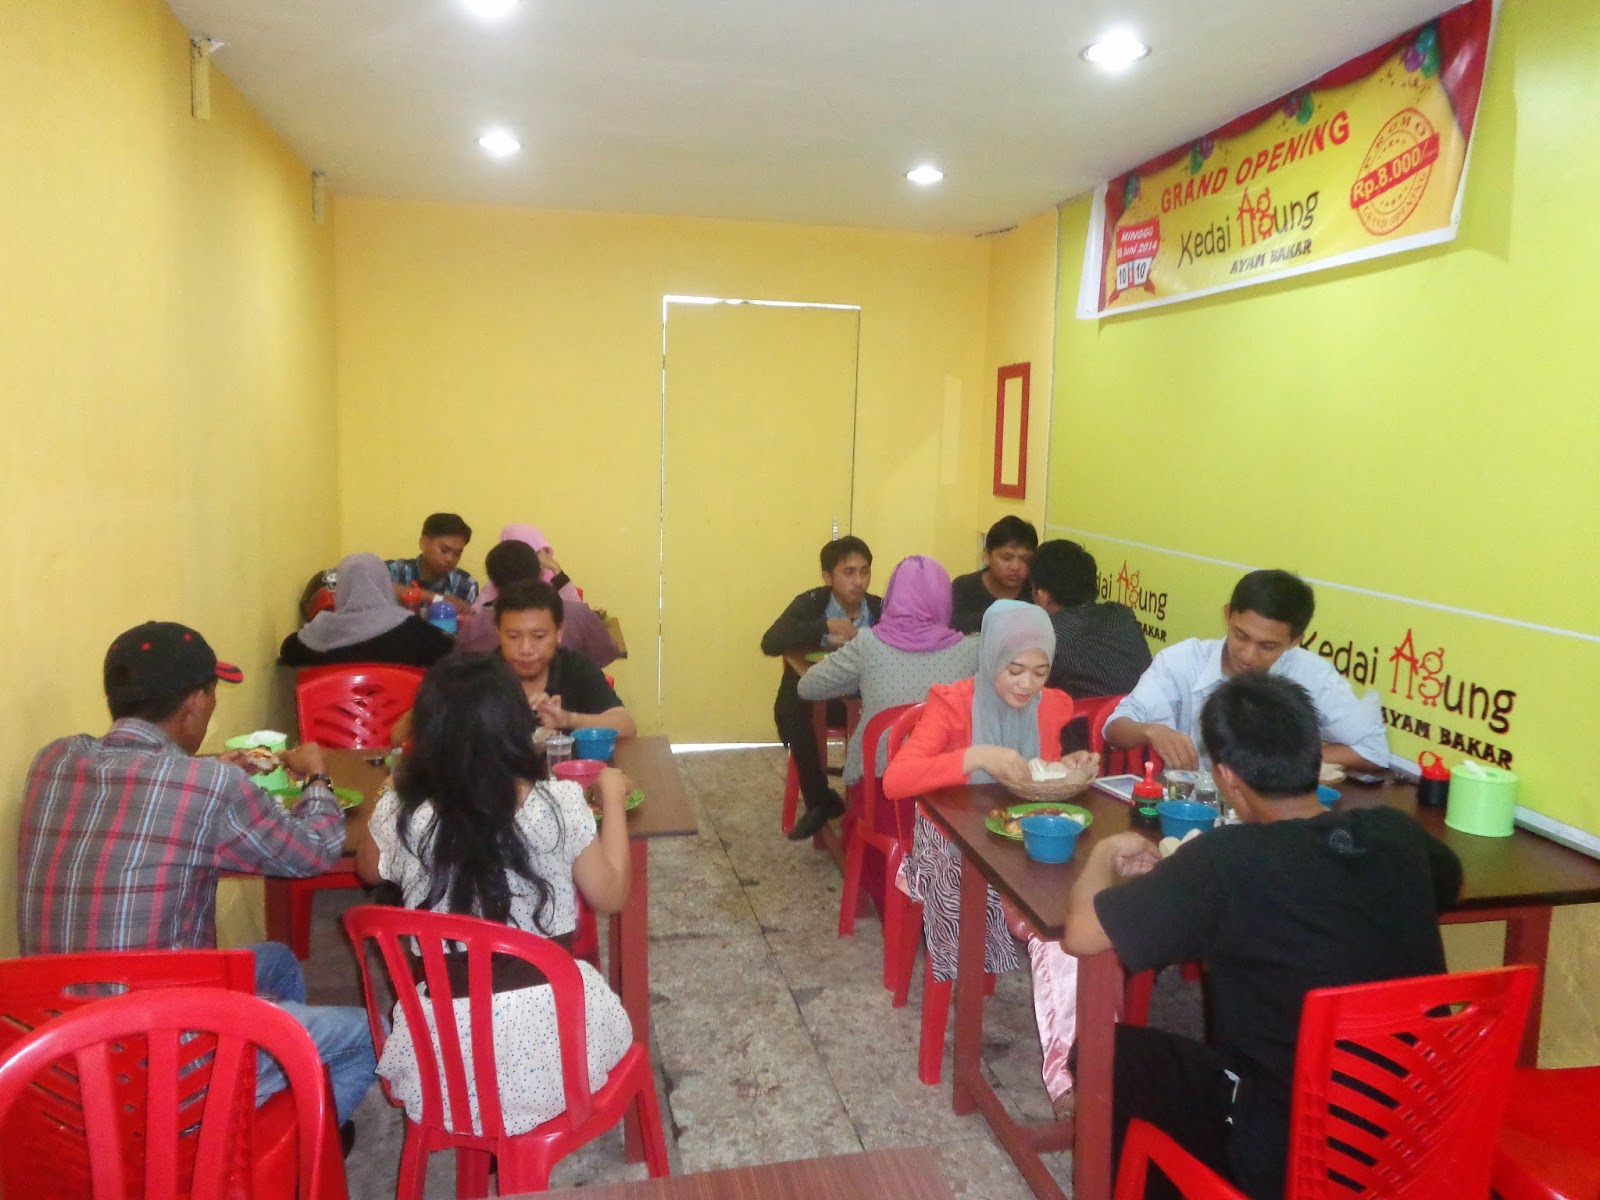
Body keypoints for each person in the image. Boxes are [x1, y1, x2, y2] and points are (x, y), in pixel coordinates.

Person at [1063, 674, 1462, 1199]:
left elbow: (1082, 935)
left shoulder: (1226, 860)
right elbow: (1448, 885)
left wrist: (1102, 854)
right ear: (1314, 756)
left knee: (1105, 1056)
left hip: (1287, 1157)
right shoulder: (1397, 833)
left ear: (1226, 777)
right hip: (1421, 1134)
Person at [16, 622, 377, 1135]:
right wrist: (318, 775)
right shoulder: (210, 786)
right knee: (373, 1034)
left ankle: (258, 1105)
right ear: (193, 704)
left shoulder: (53, 761)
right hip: (162, 1068)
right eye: (211, 694)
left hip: (54, 1059)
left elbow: (139, 772)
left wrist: (211, 766)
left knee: (276, 963)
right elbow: (314, 853)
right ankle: (271, 1151)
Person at [355, 653, 634, 1135]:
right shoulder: (557, 803)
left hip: (447, 1059)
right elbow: (611, 896)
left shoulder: (403, 809)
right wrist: (611, 797)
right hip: (558, 1051)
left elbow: (366, 868)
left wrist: (390, 790)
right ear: (514, 725)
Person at [882, 600, 1095, 1118]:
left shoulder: (1053, 705)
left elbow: (1045, 773)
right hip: (953, 846)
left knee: (1076, 920)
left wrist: (1069, 764)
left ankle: (1082, 1067)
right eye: (1014, 669)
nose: (1026, 685)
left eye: (1040, 672)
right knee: (1045, 918)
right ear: (991, 656)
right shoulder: (952, 704)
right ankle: (1063, 1078)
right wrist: (975, 756)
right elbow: (897, 780)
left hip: (1021, 843)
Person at [1103, 569, 1389, 773]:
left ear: (1294, 641)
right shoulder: (1182, 661)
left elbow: (1372, 750)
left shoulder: (1313, 674)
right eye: (1241, 635)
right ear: (1227, 614)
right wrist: (1151, 730)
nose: (1248, 655)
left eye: (1268, 646)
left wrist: (1287, 762)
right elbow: (1114, 729)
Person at [798, 555, 977, 786]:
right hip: (946, 783)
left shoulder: (868, 644)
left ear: (893, 596)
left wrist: (858, 680)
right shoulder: (973, 651)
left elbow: (807, 687)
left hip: (878, 782)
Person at [760, 536, 883, 841]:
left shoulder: (879, 608)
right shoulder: (813, 603)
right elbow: (770, 642)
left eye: (865, 571)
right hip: (821, 700)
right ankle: (819, 799)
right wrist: (826, 626)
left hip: (865, 700)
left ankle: (867, 805)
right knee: (792, 703)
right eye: (849, 572)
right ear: (828, 577)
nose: (859, 581)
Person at [464, 525, 620, 666]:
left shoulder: (476, 625)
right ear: (539, 570)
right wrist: (556, 570)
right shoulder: (577, 614)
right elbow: (606, 653)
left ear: (493, 577)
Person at [496, 580, 635, 736]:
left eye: (539, 636)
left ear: (559, 633)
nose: (526, 649)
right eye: (513, 636)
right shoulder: (480, 676)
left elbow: (626, 727)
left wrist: (568, 719)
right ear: (498, 632)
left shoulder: (576, 668)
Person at [279, 552, 454, 668]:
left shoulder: (320, 634)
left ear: (341, 588)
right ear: (384, 584)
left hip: (332, 714)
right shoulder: (412, 629)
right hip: (399, 713)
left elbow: (287, 651)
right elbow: (451, 652)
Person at [1029, 539, 1152, 700]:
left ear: (1042, 595)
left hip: (1086, 716)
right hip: (1146, 713)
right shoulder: (1122, 615)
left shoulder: (1047, 637)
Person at [950, 516, 1038, 634]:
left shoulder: (1036, 591)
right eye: (1007, 558)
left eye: (1025, 559)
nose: (1015, 567)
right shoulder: (963, 588)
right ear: (986, 556)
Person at [386, 512, 478, 614]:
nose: (450, 559)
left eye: (457, 554)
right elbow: (376, 586)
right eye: (444, 550)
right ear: (423, 543)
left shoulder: (466, 585)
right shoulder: (393, 570)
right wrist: (436, 598)